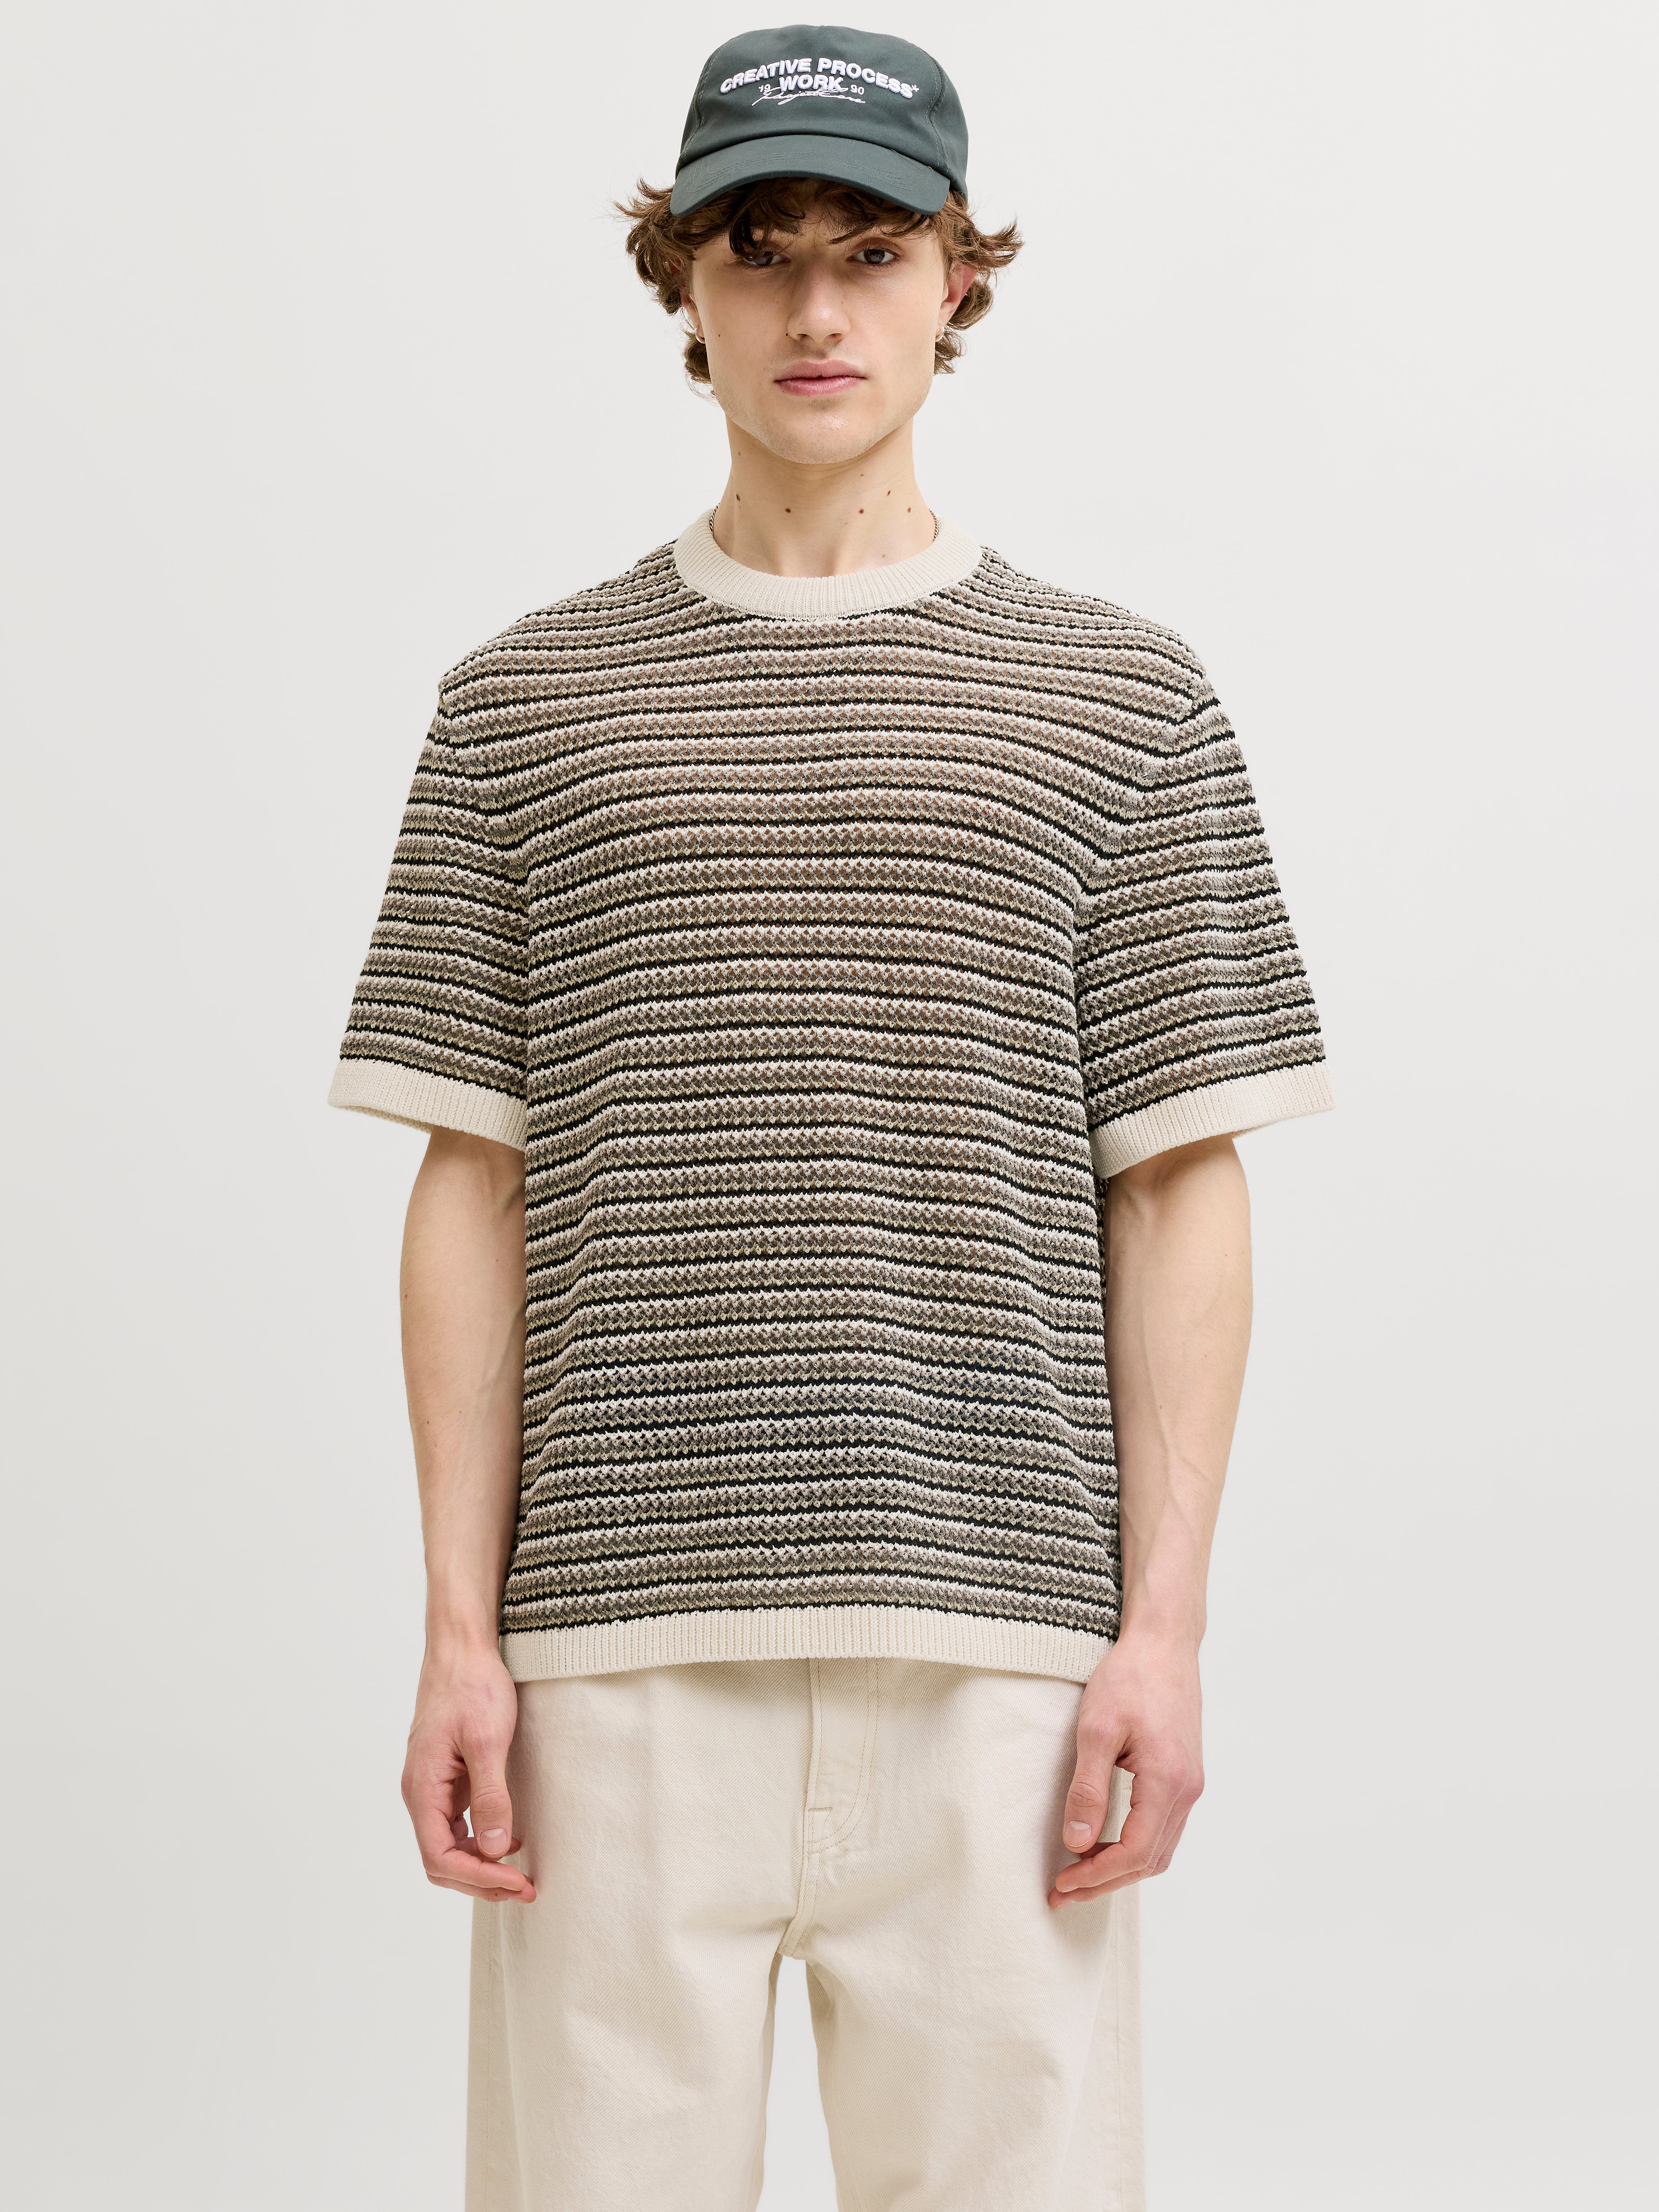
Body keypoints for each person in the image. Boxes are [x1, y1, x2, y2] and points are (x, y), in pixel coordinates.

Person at [328, 24, 1332, 2210]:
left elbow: (1180, 1188)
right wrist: (456, 1637)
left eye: (869, 251)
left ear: (957, 277)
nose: (814, 309)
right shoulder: (520, 705)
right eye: (758, 250)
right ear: (680, 282)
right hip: (613, 1660)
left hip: (1001, 1662)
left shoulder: (1124, 698)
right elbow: (471, 1188)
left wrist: (1163, 1636)